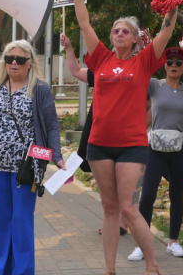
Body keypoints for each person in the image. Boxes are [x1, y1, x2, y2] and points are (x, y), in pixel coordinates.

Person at [70, 0, 177, 275]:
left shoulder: (143, 61)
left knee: (128, 208)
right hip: (99, 144)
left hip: (132, 146)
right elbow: (84, 24)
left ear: (134, 38)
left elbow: (165, 34)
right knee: (109, 209)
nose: (118, 33)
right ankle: (109, 270)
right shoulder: (101, 58)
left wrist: (172, 8)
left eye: (125, 31)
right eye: (115, 30)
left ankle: (152, 265)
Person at [0, 40, 64, 275]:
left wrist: (58, 157)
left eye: (20, 59)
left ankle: (23, 271)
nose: (14, 63)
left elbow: (52, 127)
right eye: (9, 58)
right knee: (3, 219)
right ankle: (2, 269)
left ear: (30, 62)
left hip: (27, 166)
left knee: (21, 219)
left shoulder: (40, 89)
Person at [128, 46, 183, 261]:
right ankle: (141, 244)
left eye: (178, 62)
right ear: (164, 65)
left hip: (179, 149)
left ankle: (173, 242)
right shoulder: (154, 85)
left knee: (176, 194)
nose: (174, 65)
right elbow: (136, 78)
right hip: (154, 148)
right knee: (146, 195)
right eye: (169, 62)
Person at [60, 33, 129, 236]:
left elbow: (148, 104)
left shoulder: (137, 68)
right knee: (107, 181)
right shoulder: (100, 69)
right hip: (99, 128)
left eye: (124, 34)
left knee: (126, 181)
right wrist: (70, 48)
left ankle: (125, 220)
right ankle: (112, 220)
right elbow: (75, 70)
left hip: (126, 132)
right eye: (115, 36)